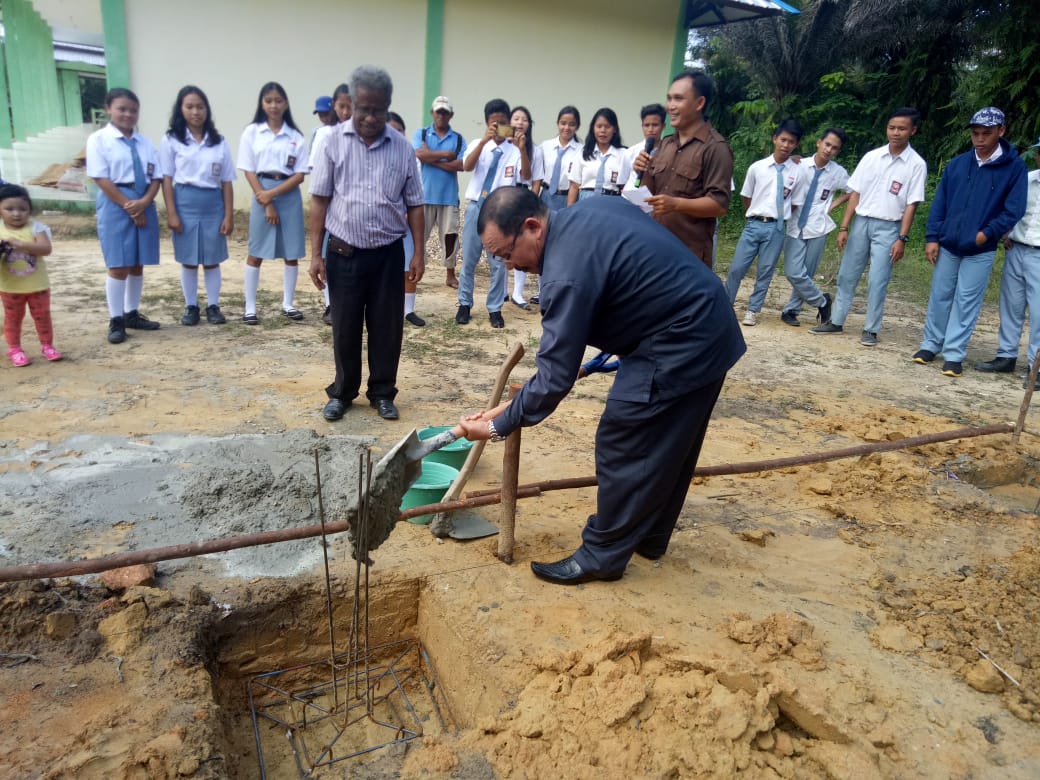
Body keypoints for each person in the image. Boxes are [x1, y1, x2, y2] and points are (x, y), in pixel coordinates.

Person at [459, 187, 745, 585]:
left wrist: (495, 426)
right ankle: (649, 538)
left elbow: (554, 375)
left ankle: (601, 556)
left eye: (507, 254)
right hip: (708, 323)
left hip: (681, 339)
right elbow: (631, 283)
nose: (511, 267)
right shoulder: (593, 209)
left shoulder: (564, 272)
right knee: (673, 441)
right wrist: (544, 385)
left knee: (623, 438)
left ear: (531, 227)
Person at [308, 65, 424, 423]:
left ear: (388, 106)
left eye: (379, 110)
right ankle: (342, 392)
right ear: (350, 105)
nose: (371, 117)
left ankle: (383, 393)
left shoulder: (403, 148)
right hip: (344, 253)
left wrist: (418, 251)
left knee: (387, 327)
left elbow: (415, 204)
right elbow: (319, 200)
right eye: (364, 109)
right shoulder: (330, 142)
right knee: (344, 326)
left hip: (389, 254)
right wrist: (314, 254)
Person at [911, 108, 1027, 378]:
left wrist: (987, 233)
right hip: (949, 243)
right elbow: (940, 203)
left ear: (1001, 131)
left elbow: (1014, 209)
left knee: (966, 300)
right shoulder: (958, 164)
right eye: (976, 133)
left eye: (987, 133)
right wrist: (932, 237)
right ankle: (930, 345)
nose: (980, 139)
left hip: (980, 248)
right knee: (940, 295)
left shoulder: (1014, 167)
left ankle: (954, 354)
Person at [811, 107, 927, 345]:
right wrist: (844, 227)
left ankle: (871, 329)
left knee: (878, 279)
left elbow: (911, 205)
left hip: (889, 226)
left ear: (912, 130)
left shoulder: (916, 164)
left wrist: (902, 238)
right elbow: (856, 193)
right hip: (861, 223)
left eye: (902, 128)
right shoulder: (872, 157)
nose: (895, 133)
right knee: (847, 275)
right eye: (892, 127)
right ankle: (836, 321)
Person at [85, 87, 163, 344]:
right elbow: (100, 177)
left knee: (137, 263)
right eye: (122, 109)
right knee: (119, 265)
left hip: (144, 200)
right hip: (115, 204)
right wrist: (130, 206)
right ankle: (116, 319)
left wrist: (144, 203)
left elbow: (156, 178)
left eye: (133, 110)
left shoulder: (145, 143)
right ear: (109, 109)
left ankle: (131, 313)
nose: (128, 114)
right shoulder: (99, 140)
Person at [633, 70, 734, 268]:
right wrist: (643, 171)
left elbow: (719, 205)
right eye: (669, 99)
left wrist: (677, 204)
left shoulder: (715, 147)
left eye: (678, 99)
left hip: (689, 255)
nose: (670, 106)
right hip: (657, 247)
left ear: (699, 103)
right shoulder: (666, 144)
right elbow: (651, 193)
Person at [159, 85, 235, 326]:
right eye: (189, 106)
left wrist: (228, 215)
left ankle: (213, 306)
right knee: (189, 259)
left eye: (200, 107)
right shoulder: (171, 140)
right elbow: (167, 179)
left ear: (207, 110)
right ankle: (191, 306)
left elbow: (226, 182)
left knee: (212, 258)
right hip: (184, 202)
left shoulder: (218, 141)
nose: (195, 112)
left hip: (213, 204)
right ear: (180, 109)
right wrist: (172, 212)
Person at [237, 82, 308, 325]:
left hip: (288, 194)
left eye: (278, 100)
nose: (274, 105)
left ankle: (288, 303)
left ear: (286, 104)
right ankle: (250, 307)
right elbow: (248, 169)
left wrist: (274, 195)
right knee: (256, 252)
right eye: (268, 100)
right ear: (261, 103)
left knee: (292, 252)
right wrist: (266, 199)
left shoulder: (295, 136)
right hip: (261, 192)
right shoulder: (252, 132)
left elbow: (300, 174)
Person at [724, 118, 807, 326]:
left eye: (791, 142)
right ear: (775, 139)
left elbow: (795, 202)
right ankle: (725, 306)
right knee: (736, 269)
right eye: (783, 140)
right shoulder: (757, 168)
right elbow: (747, 196)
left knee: (765, 270)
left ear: (796, 144)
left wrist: (777, 217)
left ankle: (753, 310)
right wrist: (757, 214)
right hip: (753, 225)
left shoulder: (797, 172)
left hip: (777, 227)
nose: (786, 145)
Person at [975, 136, 1040, 390]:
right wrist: (1007, 231)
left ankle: (1036, 366)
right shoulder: (1027, 179)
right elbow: (1011, 209)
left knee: (1038, 313)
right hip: (1016, 248)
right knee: (1011, 305)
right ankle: (1006, 355)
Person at [456, 98, 520, 328]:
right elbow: (466, 166)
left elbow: (524, 177)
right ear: (486, 123)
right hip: (476, 207)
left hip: (500, 211)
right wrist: (484, 141)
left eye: (503, 123)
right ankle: (464, 304)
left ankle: (494, 308)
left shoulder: (514, 152)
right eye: (494, 123)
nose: (498, 128)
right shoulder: (477, 144)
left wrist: (521, 146)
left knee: (499, 263)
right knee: (469, 261)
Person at [779, 127, 851, 327]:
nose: (829, 150)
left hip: (818, 226)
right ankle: (822, 301)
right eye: (827, 144)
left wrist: (834, 204)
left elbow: (853, 191)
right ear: (819, 142)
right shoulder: (800, 164)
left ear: (838, 151)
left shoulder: (838, 172)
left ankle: (791, 310)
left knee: (807, 273)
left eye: (834, 148)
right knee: (793, 271)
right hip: (795, 223)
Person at [0, 184, 60, 365]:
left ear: (30, 210)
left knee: (42, 316)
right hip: (10, 287)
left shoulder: (37, 228)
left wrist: (20, 244)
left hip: (38, 286)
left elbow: (45, 249)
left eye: (22, 209)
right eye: (9, 209)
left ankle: (47, 346)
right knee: (13, 319)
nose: (16, 214)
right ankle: (14, 349)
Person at [309, 84, 352, 326]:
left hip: (351, 209)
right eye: (342, 106)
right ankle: (330, 304)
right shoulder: (325, 135)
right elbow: (317, 172)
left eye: (351, 107)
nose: (346, 112)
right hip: (330, 203)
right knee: (328, 253)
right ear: (335, 107)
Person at [412, 95, 465, 290]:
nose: (441, 115)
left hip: (449, 197)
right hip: (423, 196)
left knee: (450, 237)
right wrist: (445, 155)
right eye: (438, 111)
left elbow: (462, 164)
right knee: (418, 236)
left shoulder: (458, 138)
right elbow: (418, 154)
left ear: (450, 115)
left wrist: (430, 158)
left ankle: (450, 275)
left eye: (445, 112)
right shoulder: (422, 133)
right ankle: (415, 269)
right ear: (432, 113)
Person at [533, 105, 582, 305]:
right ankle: (541, 289)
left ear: (577, 126)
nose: (566, 128)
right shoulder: (545, 147)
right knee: (541, 243)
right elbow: (537, 175)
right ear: (557, 124)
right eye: (563, 123)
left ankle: (559, 289)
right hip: (546, 196)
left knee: (562, 246)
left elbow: (576, 182)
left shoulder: (581, 150)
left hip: (566, 198)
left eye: (571, 124)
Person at [388, 111, 425, 327]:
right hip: (383, 223)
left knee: (409, 263)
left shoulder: (410, 157)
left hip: (405, 220)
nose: (396, 135)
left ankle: (408, 310)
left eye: (400, 131)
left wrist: (405, 213)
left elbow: (416, 192)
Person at [508, 105, 543, 310]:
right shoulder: (503, 145)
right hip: (505, 198)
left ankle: (518, 292)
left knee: (521, 244)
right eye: (516, 118)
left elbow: (536, 180)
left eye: (524, 119)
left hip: (524, 197)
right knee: (505, 245)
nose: (520, 123)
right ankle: (504, 290)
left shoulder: (534, 150)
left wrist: (532, 202)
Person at [566, 107, 626, 205]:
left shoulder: (623, 154)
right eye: (599, 126)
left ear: (614, 129)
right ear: (593, 128)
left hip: (612, 202)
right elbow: (574, 186)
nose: (603, 130)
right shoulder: (583, 153)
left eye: (607, 127)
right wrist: (568, 212)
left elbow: (625, 188)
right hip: (586, 201)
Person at [621, 103, 666, 186]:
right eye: (646, 125)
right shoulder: (630, 152)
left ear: (663, 126)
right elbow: (622, 182)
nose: (650, 129)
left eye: (655, 125)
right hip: (630, 197)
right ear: (642, 126)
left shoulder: (668, 152)